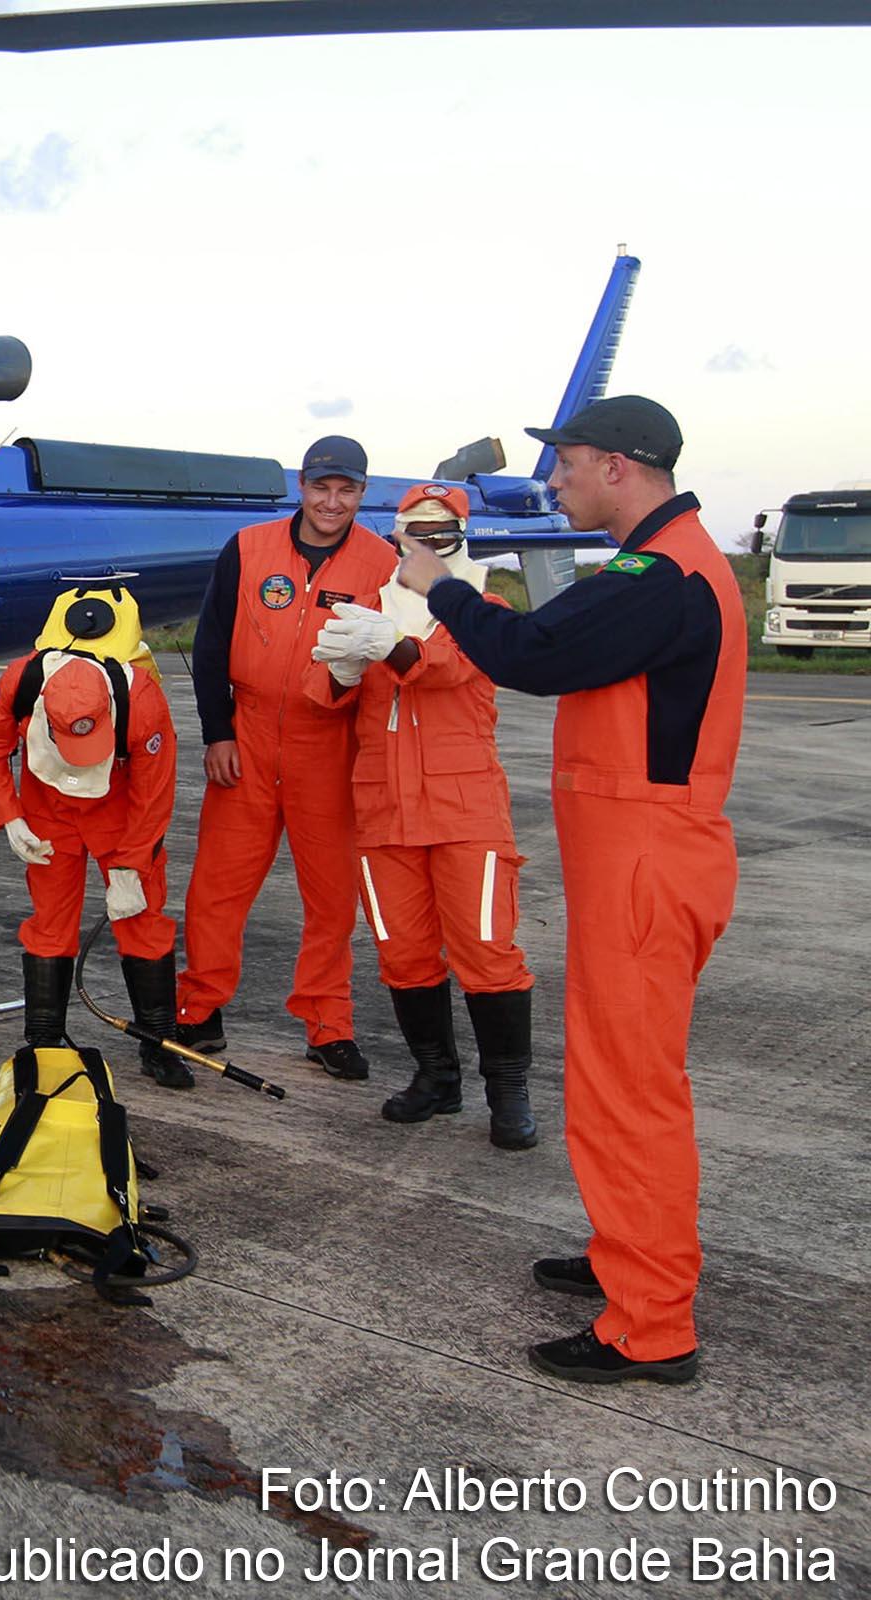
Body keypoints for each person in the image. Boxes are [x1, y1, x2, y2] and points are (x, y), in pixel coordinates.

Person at [394, 395, 742, 1386]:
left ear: (620, 468)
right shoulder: (660, 567)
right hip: (637, 859)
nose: (553, 481)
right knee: (611, 1075)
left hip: (646, 862)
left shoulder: (658, 574)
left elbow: (533, 654)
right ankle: (624, 1254)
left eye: (568, 463)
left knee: (630, 1092)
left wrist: (442, 587)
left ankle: (653, 1326)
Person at [306, 483, 539, 1148]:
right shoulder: (368, 612)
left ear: (463, 533)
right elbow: (317, 693)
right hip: (383, 811)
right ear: (399, 532)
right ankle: (437, 1078)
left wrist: (391, 645)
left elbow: (445, 669)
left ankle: (508, 1091)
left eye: (444, 529)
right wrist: (343, 671)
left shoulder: (482, 610)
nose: (430, 540)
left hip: (465, 812)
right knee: (403, 954)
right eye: (419, 528)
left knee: (488, 954)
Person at [178, 435, 397, 1079]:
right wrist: (217, 731)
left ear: (362, 492)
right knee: (218, 886)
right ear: (301, 486)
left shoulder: (381, 563)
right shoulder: (250, 548)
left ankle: (327, 1022)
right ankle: (198, 1007)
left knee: (331, 898)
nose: (332, 502)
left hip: (329, 746)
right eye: (321, 487)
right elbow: (210, 641)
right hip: (245, 739)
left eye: (347, 489)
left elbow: (385, 666)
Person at [0, 587, 184, 1085]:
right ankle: (43, 1042)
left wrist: (131, 867)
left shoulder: (142, 701)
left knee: (142, 920)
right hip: (46, 812)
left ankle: (158, 1043)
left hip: (121, 814)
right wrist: (10, 818)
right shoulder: (21, 680)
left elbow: (155, 795)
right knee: (50, 924)